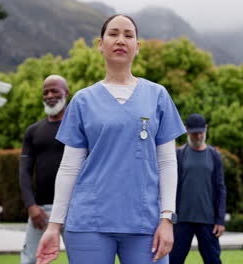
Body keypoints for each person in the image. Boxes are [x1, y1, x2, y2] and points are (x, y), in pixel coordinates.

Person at [36, 14, 186, 264]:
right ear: (100, 44)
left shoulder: (157, 96)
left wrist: (167, 218)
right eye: (113, 34)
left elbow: (168, 163)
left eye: (128, 35)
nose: (121, 40)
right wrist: (54, 226)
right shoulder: (83, 101)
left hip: (146, 223)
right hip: (89, 222)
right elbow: (70, 167)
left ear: (137, 47)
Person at [19, 75, 69, 264]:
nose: (49, 95)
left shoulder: (78, 127)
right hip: (42, 211)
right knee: (30, 259)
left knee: (82, 258)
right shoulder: (33, 131)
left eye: (54, 90)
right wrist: (31, 206)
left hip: (74, 208)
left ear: (66, 93)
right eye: (45, 92)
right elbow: (24, 171)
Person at [169, 113, 227, 264]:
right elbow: (171, 187)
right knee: (174, 260)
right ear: (187, 130)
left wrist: (220, 220)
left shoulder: (214, 155)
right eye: (194, 133)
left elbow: (221, 188)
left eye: (201, 132)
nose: (198, 136)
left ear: (206, 129)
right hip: (182, 220)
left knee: (213, 260)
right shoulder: (179, 154)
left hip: (208, 221)